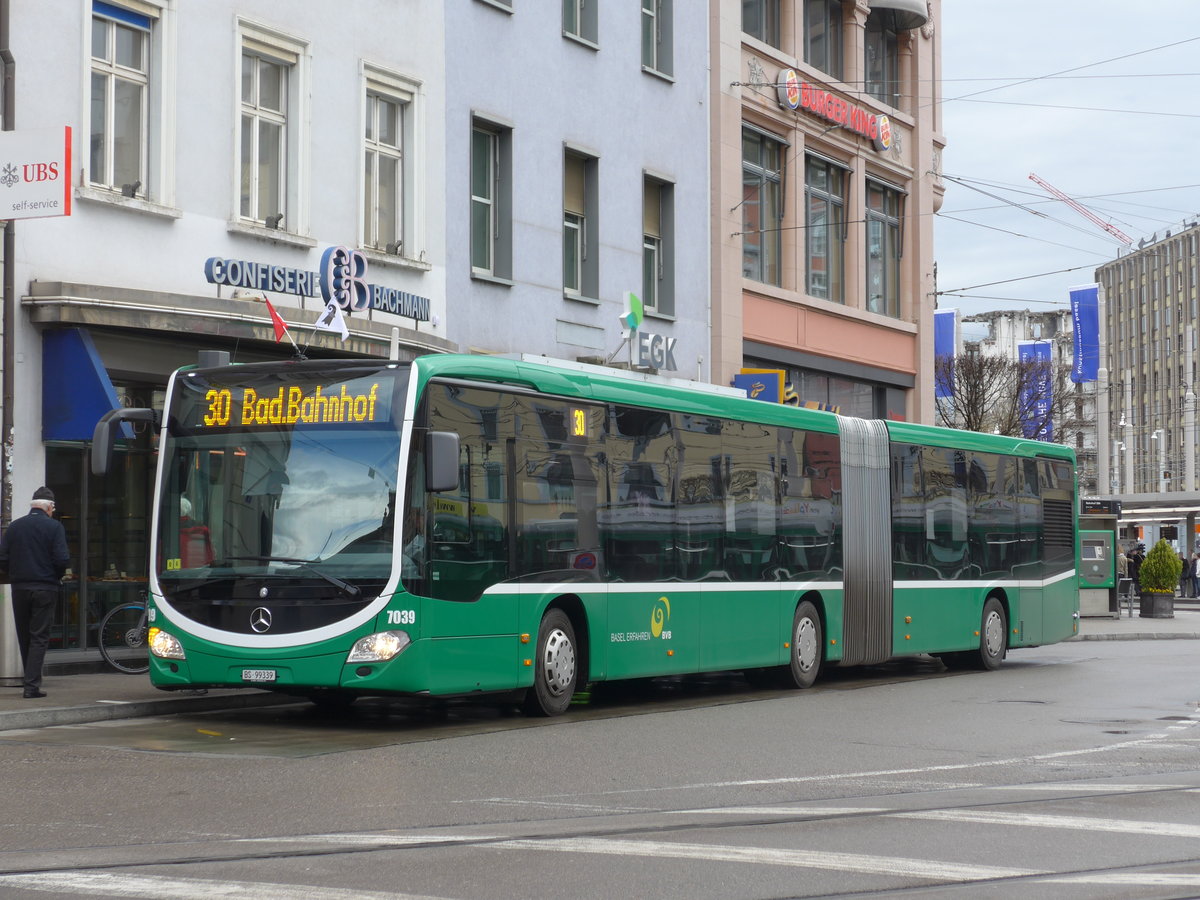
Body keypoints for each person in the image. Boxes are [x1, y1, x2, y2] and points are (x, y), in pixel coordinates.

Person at [0, 487, 70, 699]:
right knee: (39, 636)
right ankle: (31, 686)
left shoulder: (14, 527)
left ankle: (29, 681)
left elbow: (2, 558)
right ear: (49, 507)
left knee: (24, 635)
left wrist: (16, 572)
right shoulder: (55, 527)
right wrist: (56, 575)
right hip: (45, 587)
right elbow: (62, 560)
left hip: (19, 588)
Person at [179, 497, 213, 568]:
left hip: (175, 574)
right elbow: (209, 555)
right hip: (197, 571)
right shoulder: (203, 529)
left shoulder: (169, 530)